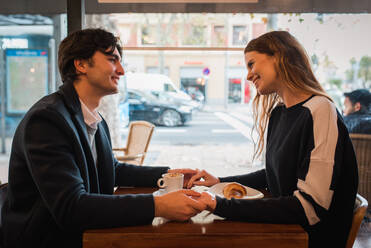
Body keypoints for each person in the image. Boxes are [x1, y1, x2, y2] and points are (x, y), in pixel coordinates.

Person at [1, 28, 207, 248]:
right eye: (112, 60)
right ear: (80, 64)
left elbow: (112, 168)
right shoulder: (47, 120)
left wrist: (168, 175)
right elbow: (71, 207)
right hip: (44, 239)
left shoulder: (92, 116)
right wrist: (158, 205)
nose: (121, 70)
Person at [172, 31, 358, 248]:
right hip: (285, 229)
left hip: (310, 238)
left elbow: (310, 209)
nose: (248, 76)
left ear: (279, 57)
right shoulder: (279, 113)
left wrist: (219, 205)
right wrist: (220, 182)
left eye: (251, 64)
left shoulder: (320, 110)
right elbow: (272, 176)